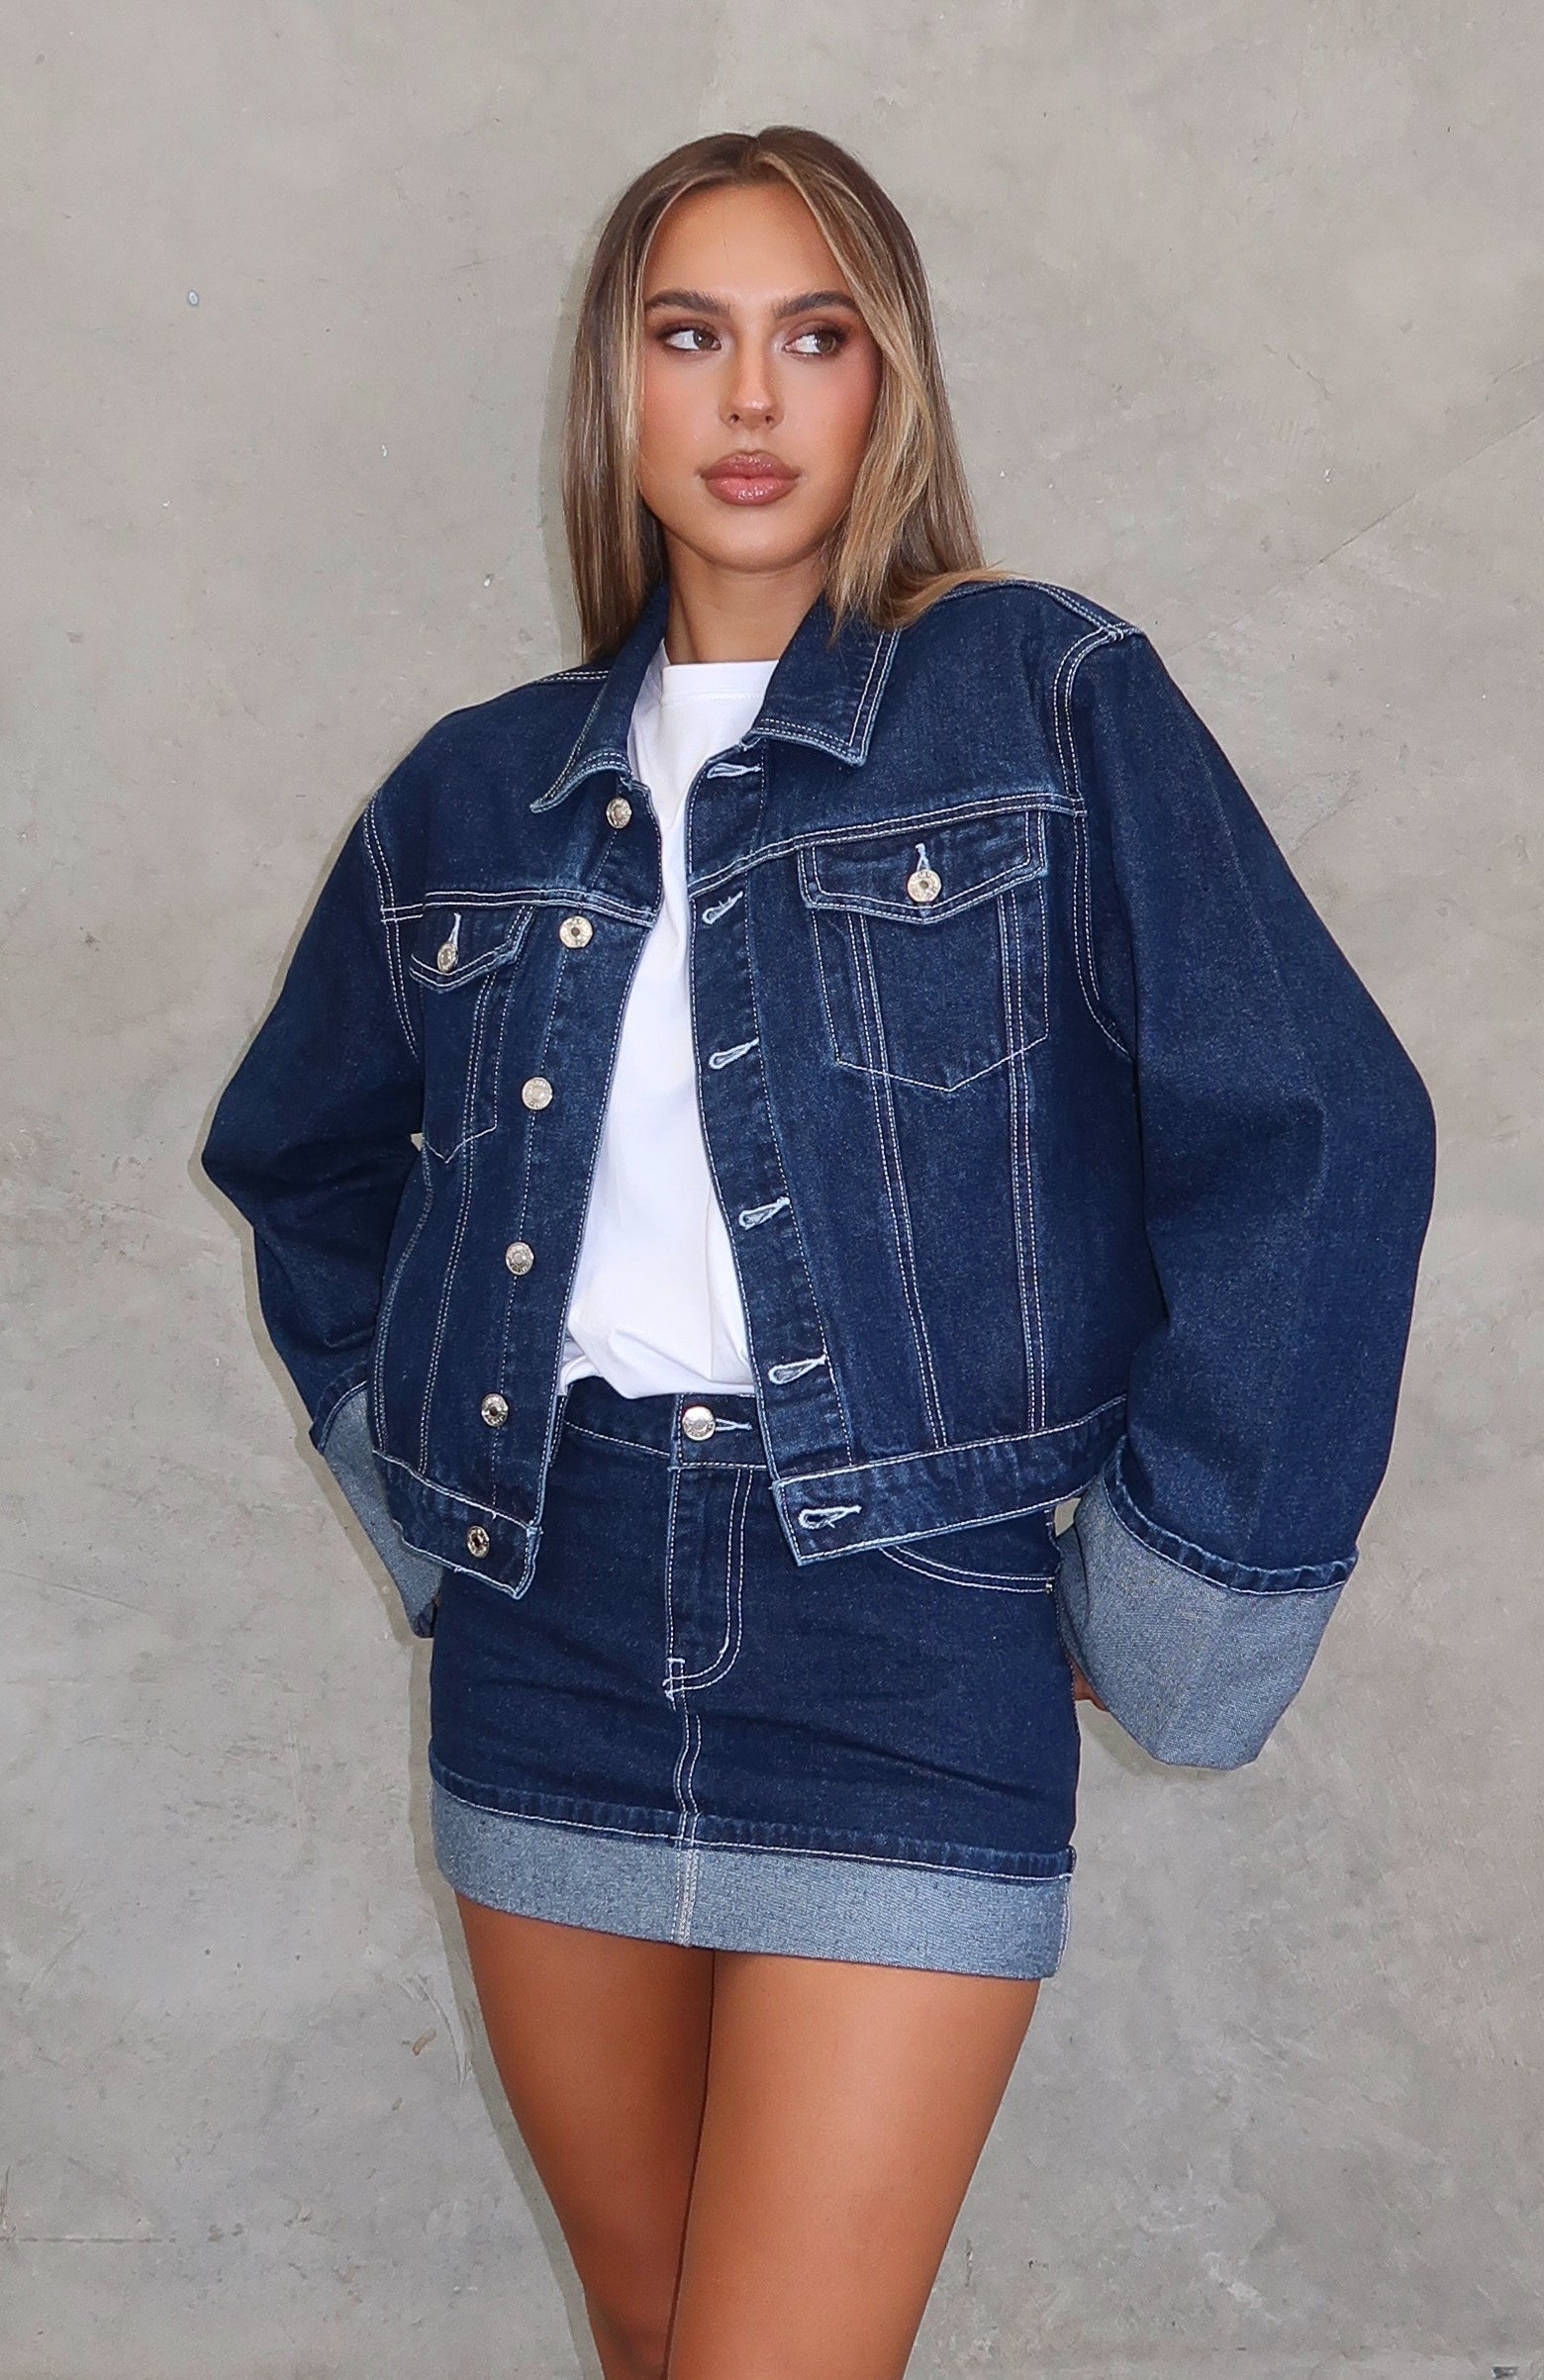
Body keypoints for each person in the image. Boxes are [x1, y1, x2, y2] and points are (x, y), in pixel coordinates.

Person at [200, 125, 1436, 2380]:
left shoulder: (1042, 699)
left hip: (906, 1640)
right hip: (549, 1634)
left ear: (892, 383)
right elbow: (305, 1156)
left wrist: (1165, 1578)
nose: (751, 399)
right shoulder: (472, 791)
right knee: (655, 2327)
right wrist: (438, 1489)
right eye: (691, 336)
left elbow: (1321, 1131)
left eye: (815, 336)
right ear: (616, 385)